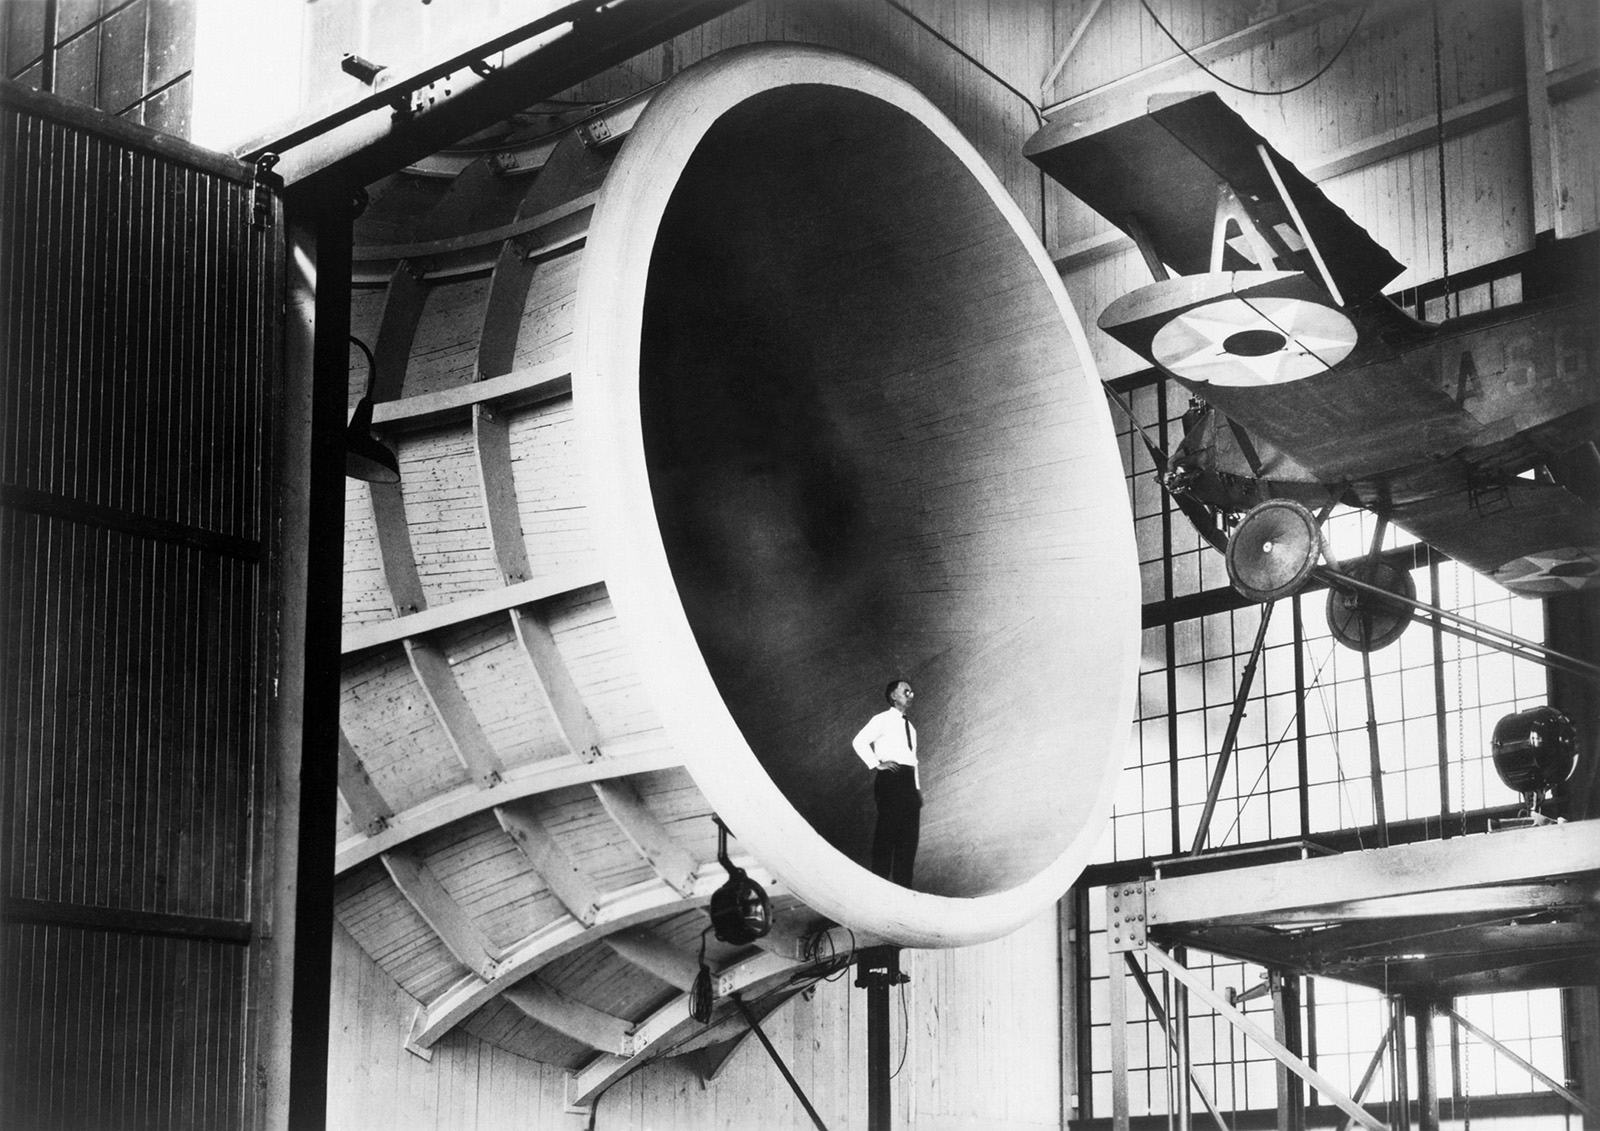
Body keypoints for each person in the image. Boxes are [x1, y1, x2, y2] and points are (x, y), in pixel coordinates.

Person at [851, 678, 920, 887]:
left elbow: (913, 760)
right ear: (893, 696)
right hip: (891, 780)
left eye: (911, 692)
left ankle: (903, 888)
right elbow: (859, 741)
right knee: (887, 833)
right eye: (906, 692)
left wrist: (916, 789)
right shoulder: (882, 719)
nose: (911, 696)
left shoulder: (911, 728)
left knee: (908, 839)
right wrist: (876, 764)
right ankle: (879, 886)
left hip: (908, 784)